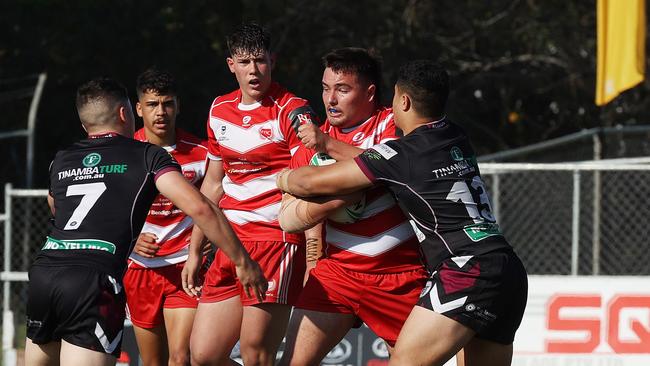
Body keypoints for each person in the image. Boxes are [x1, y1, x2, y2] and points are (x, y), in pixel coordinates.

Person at [276, 60, 528, 366]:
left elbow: (309, 180)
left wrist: (282, 178)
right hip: (508, 268)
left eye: (394, 98)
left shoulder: (401, 154)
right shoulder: (455, 135)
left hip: (466, 267)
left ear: (404, 101)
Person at [25, 77, 267, 366]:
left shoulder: (62, 159)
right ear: (127, 113)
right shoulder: (147, 155)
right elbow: (201, 208)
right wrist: (243, 261)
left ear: (84, 125)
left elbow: (56, 208)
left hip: (44, 274)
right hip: (92, 279)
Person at [277, 48, 427, 366]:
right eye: (325, 87)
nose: (330, 99)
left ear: (369, 92)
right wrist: (334, 202)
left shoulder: (392, 123)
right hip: (339, 274)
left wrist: (328, 148)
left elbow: (390, 170)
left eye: (342, 89)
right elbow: (287, 219)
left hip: (398, 276)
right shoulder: (312, 144)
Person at [181, 22, 319, 366]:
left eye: (260, 61)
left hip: (275, 240)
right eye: (244, 63)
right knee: (202, 356)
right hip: (229, 240)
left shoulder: (293, 110)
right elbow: (212, 185)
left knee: (256, 354)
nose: (253, 70)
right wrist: (195, 250)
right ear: (231, 65)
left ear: (272, 61)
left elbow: (311, 184)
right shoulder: (218, 109)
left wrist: (314, 256)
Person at [122, 68, 209, 366]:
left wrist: (205, 240)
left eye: (168, 103)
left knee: (182, 357)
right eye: (152, 104)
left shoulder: (201, 154)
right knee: (153, 362)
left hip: (183, 269)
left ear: (178, 105)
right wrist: (130, 241)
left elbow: (215, 204)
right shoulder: (124, 154)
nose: (161, 112)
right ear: (138, 108)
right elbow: (107, 211)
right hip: (139, 270)